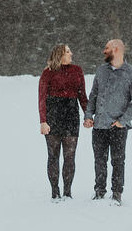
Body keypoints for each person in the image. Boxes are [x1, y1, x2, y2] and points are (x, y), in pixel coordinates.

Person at [84, 39, 132, 205]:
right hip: (99, 125)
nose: (104, 51)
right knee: (99, 160)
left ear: (116, 50)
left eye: (107, 48)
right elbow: (93, 95)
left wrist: (122, 121)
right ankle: (99, 191)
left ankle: (117, 193)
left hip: (118, 127)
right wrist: (89, 115)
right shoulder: (101, 71)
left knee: (117, 161)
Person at [38, 44, 88, 201]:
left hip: (71, 116)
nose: (71, 53)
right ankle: (55, 191)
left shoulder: (77, 70)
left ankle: (67, 192)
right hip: (53, 116)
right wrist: (43, 121)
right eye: (68, 51)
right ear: (60, 54)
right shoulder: (48, 73)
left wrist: (88, 115)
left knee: (70, 157)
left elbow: (82, 96)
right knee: (53, 156)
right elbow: (41, 98)